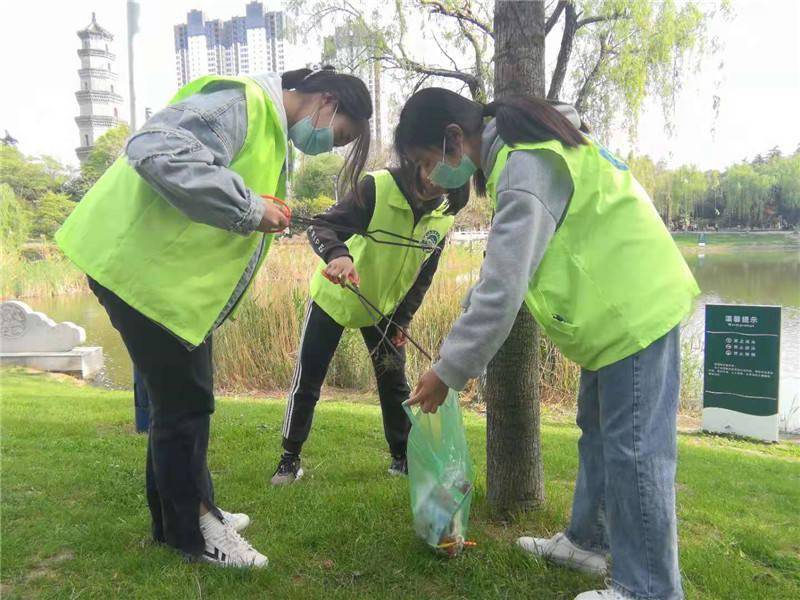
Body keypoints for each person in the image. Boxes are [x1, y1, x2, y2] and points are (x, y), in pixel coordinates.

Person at [55, 67, 372, 568]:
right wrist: (248, 207)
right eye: (341, 134)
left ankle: (180, 520)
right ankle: (197, 532)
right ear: (326, 101)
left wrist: (254, 206)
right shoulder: (240, 103)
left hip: (160, 284)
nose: (330, 146)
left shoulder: (269, 128)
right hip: (141, 275)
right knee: (186, 405)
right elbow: (153, 147)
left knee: (177, 403)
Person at [395, 88, 700, 600]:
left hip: (634, 311)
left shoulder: (527, 162)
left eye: (427, 163)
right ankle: (589, 541)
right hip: (615, 315)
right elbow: (500, 274)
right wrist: (453, 349)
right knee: (600, 435)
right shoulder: (525, 150)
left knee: (636, 453)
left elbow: (503, 289)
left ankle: (648, 588)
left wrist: (448, 370)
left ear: (453, 139)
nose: (430, 178)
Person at [271, 166, 467, 484]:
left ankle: (402, 457)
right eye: (430, 167)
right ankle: (289, 459)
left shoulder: (443, 219)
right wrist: (339, 255)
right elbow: (322, 227)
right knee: (307, 381)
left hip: (384, 311)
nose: (433, 181)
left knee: (395, 385)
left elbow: (423, 275)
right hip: (336, 296)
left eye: (446, 181)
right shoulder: (378, 186)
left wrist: (403, 319)